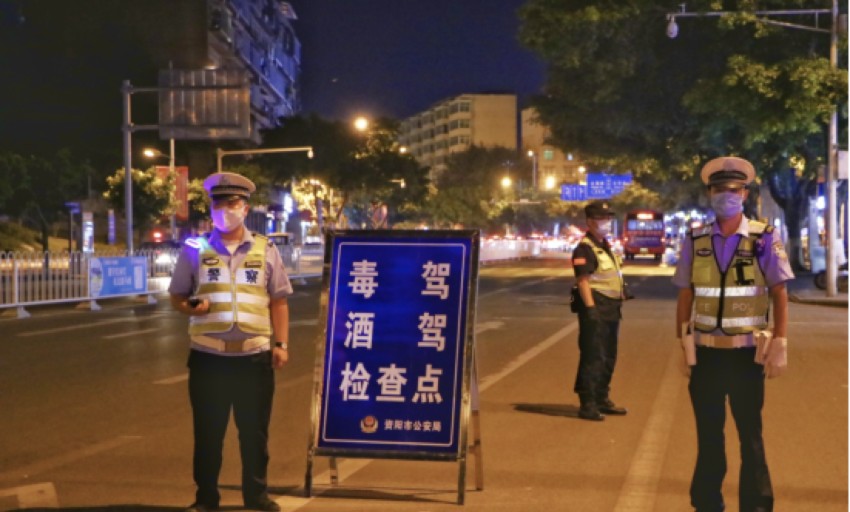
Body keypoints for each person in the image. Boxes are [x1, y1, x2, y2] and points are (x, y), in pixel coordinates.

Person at [673, 156, 794, 512]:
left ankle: (756, 506)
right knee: (709, 437)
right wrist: (683, 342)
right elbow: (685, 293)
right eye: (719, 189)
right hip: (706, 355)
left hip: (745, 356)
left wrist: (781, 340)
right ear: (709, 193)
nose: (726, 195)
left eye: (733, 189)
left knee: (750, 436)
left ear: (744, 193)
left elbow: (779, 291)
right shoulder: (695, 239)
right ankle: (707, 503)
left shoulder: (763, 238)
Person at [169, 172, 292, 512]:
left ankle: (257, 497)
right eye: (218, 204)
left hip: (254, 357)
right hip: (208, 357)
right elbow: (177, 295)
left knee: (254, 435)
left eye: (232, 203)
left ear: (245, 207)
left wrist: (281, 344)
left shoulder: (266, 249)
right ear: (211, 209)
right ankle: (206, 499)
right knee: (208, 435)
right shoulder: (195, 249)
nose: (225, 210)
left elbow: (279, 300)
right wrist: (190, 306)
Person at [570, 200, 628, 421]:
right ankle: (588, 403)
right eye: (603, 219)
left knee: (609, 355)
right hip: (595, 308)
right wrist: (591, 309)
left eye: (609, 218)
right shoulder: (584, 248)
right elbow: (583, 280)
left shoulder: (605, 247)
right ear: (590, 221)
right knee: (593, 355)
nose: (607, 222)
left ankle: (602, 398)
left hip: (611, 307)